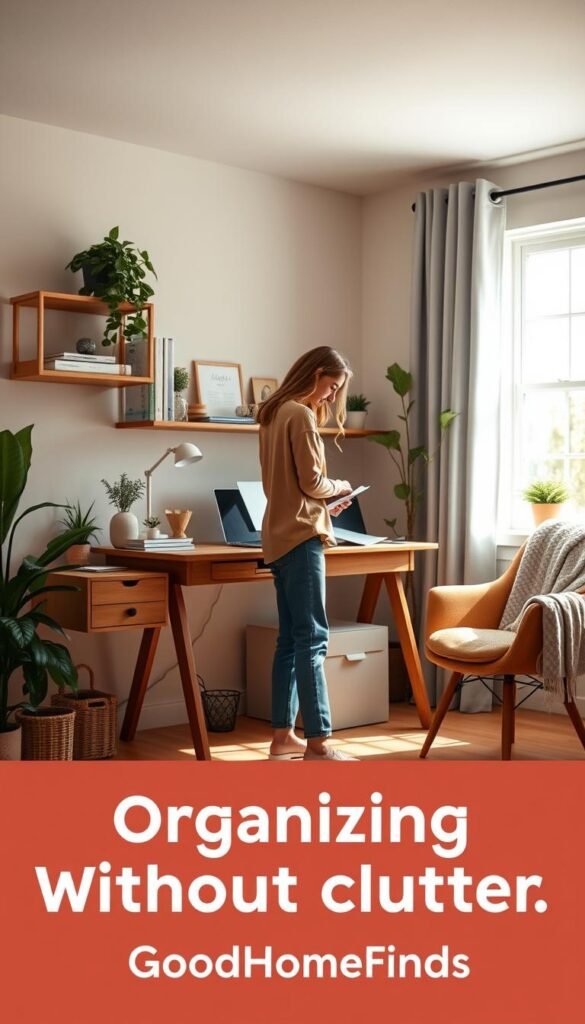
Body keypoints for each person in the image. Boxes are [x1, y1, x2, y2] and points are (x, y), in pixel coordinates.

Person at [257, 346, 359, 762]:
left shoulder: (272, 413)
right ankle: (318, 742)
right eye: (332, 387)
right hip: (302, 540)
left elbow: (290, 486)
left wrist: (322, 505)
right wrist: (341, 486)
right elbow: (314, 481)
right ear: (316, 373)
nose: (331, 397)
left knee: (290, 641)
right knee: (314, 639)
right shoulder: (299, 413)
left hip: (279, 537)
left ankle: (283, 736)